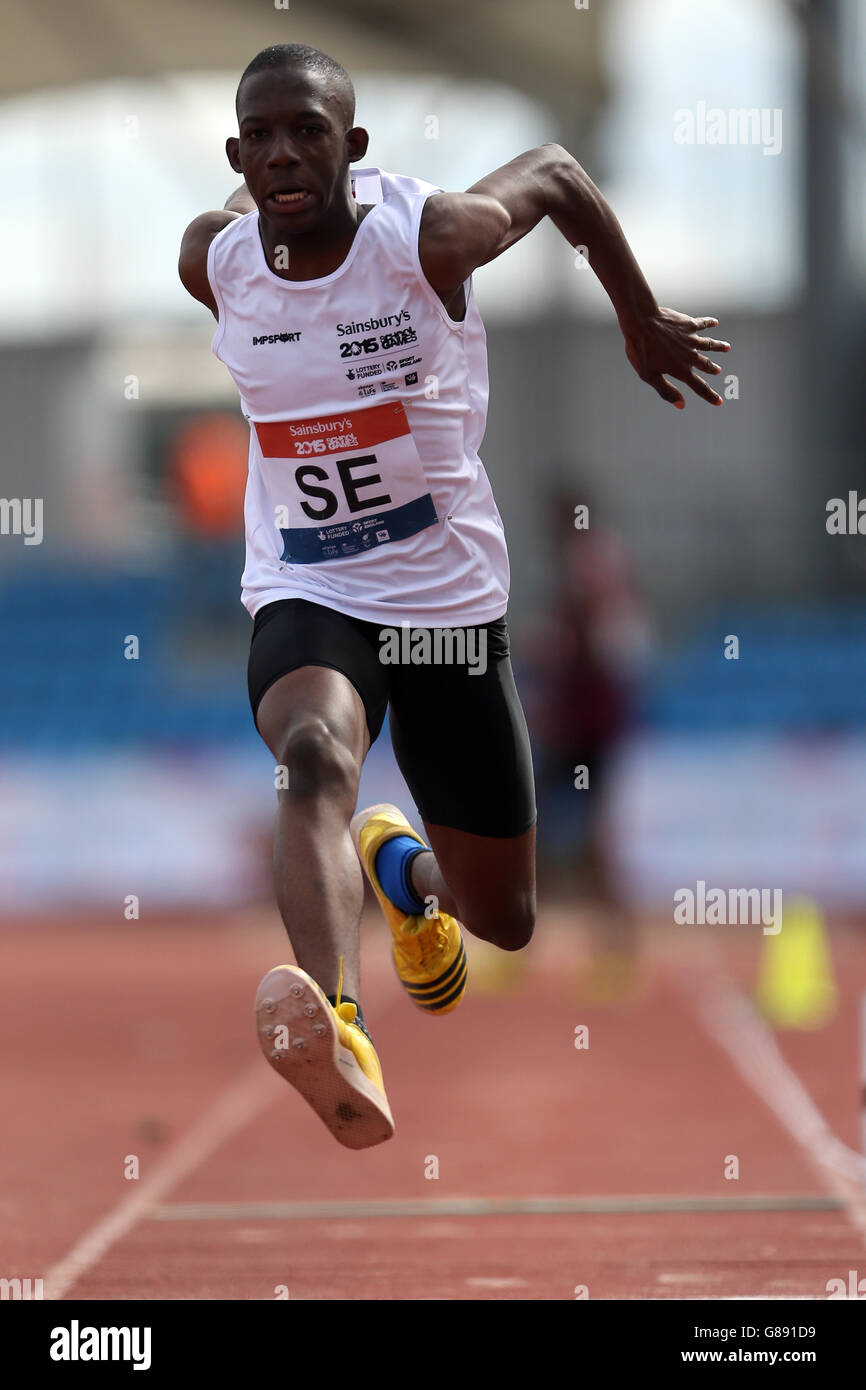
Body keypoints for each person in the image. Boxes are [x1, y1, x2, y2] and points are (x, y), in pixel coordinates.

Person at [178, 42, 730, 1149]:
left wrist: (637, 315)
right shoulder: (213, 260)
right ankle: (337, 1024)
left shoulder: (428, 237)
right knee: (312, 758)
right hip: (308, 581)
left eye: (310, 132)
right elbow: (242, 221)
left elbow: (563, 174)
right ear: (237, 159)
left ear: (354, 147)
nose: (286, 155)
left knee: (501, 919)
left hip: (442, 607)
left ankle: (399, 864)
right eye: (264, 138)